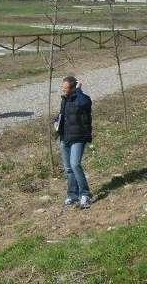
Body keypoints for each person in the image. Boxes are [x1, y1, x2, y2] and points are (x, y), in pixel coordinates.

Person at [55, 75, 93, 209]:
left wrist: (79, 90)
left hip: (78, 137)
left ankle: (85, 194)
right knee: (69, 169)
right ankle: (72, 195)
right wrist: (57, 121)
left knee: (75, 164)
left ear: (72, 88)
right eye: (62, 87)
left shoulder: (82, 98)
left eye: (65, 88)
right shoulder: (65, 99)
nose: (63, 90)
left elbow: (84, 104)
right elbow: (64, 115)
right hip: (65, 138)